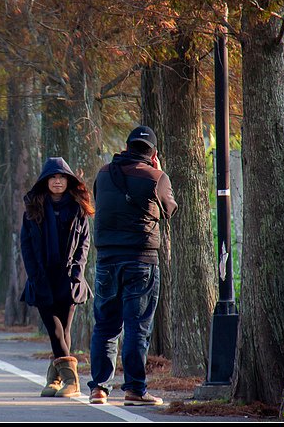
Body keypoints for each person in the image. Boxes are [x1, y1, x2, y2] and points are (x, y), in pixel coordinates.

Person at [87, 126, 178, 406]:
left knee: (105, 325)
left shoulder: (104, 174)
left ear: (126, 147)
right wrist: (158, 172)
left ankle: (99, 388)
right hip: (141, 261)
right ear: (153, 154)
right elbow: (170, 209)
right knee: (136, 326)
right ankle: (135, 390)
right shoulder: (156, 177)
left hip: (106, 260)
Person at [19, 157, 94, 398]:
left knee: (65, 330)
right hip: (42, 278)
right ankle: (71, 381)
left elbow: (84, 244)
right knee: (54, 328)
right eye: (53, 177)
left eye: (62, 177)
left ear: (68, 181)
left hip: (69, 278)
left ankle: (55, 380)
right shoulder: (33, 208)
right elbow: (26, 246)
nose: (58, 181)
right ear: (45, 181)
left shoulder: (78, 208)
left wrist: (77, 273)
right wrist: (34, 276)